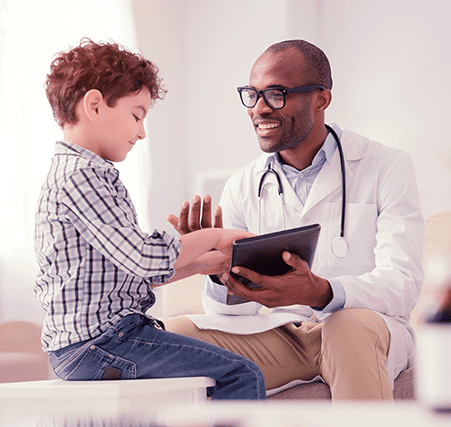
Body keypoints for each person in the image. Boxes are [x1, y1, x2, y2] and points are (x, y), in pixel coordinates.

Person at [165, 39, 424, 400]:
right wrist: (213, 267)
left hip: (364, 326)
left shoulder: (386, 166)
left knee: (347, 327)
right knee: (175, 336)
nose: (259, 109)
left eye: (275, 94)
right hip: (284, 335)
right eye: (252, 95)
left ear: (321, 98)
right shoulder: (243, 184)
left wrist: (323, 292)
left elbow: (403, 283)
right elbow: (226, 312)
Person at [34, 38, 265, 400]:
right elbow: (144, 259)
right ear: (94, 105)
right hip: (101, 343)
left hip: (92, 343)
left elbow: (127, 275)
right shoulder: (83, 176)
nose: (141, 132)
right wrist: (216, 236)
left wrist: (204, 265)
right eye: (137, 115)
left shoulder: (82, 173)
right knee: (240, 374)